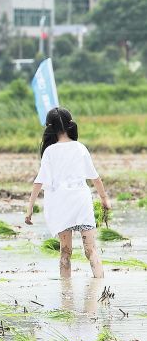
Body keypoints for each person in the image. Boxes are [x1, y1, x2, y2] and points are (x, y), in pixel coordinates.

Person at [25, 107, 110, 278]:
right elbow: (95, 177)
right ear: (70, 124)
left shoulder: (49, 151)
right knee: (91, 250)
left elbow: (39, 181)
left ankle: (65, 292)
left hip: (60, 205)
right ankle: (99, 286)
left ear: (50, 127)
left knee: (65, 252)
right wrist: (104, 199)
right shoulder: (80, 148)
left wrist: (30, 208)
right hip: (81, 203)